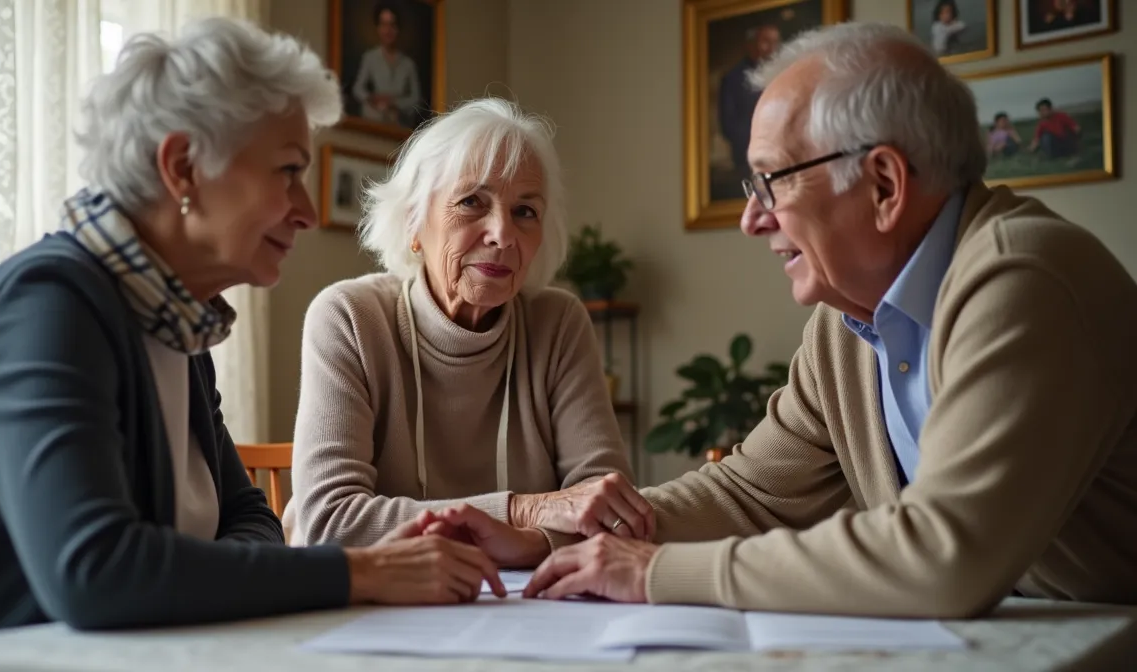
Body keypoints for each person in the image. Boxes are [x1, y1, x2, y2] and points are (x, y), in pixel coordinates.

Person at [0, 19, 506, 672]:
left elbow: (248, 518)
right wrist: (361, 570)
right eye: (288, 171)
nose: (307, 210)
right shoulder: (46, 305)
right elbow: (97, 571)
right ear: (182, 167)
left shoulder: (176, 322)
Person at [443, 22, 1137, 618]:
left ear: (885, 186)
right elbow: (747, 494)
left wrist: (652, 574)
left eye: (771, 181)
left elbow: (941, 556)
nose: (752, 218)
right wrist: (552, 539)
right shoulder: (848, 326)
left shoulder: (1024, 279)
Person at [283, 97, 651, 557]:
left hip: (520, 607)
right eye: (472, 202)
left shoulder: (558, 325)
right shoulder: (350, 318)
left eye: (525, 211)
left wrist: (522, 543)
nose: (502, 234)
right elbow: (331, 522)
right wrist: (523, 513)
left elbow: (605, 509)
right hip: (378, 610)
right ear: (414, 222)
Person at [719, 24, 780, 180]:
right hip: (748, 159)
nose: (772, 48)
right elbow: (728, 124)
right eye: (766, 41)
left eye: (775, 42)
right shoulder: (733, 79)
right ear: (751, 44)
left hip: (782, 155)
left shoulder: (783, 74)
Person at [351, 1, 422, 127]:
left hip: (400, 124)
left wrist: (394, 102)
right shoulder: (370, 57)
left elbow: (415, 100)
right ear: (378, 28)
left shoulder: (408, 64)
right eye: (384, 25)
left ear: (398, 29)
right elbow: (358, 89)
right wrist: (372, 98)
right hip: (374, 119)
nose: (388, 30)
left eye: (392, 25)